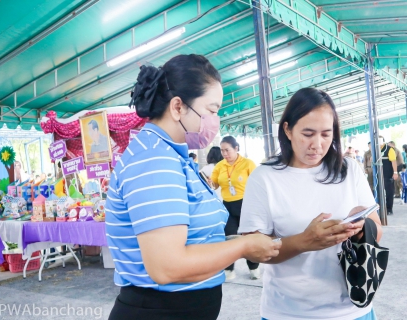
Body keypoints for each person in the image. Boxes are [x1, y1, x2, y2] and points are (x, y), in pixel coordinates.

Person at [105, 55, 280, 320]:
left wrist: (241, 241)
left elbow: (196, 241)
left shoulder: (172, 156)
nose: (215, 120)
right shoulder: (155, 161)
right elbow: (167, 267)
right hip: (159, 311)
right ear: (177, 107)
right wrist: (243, 248)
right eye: (212, 110)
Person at [238, 87, 382, 320]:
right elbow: (252, 251)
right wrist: (305, 241)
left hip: (352, 309)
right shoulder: (264, 177)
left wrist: (361, 228)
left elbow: (377, 228)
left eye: (326, 134)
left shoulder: (349, 170)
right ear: (287, 130)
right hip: (288, 312)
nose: (317, 144)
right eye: (307, 134)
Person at [210, 136, 259, 281]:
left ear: (236, 148)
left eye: (227, 150)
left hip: (246, 204)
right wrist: (210, 183)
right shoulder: (219, 166)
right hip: (228, 205)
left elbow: (257, 184)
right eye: (222, 150)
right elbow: (215, 184)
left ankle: (254, 267)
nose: (224, 153)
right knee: (229, 238)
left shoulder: (248, 164)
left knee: (248, 236)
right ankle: (229, 269)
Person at [380, 136, 399, 215]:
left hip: (388, 173)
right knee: (378, 191)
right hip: (378, 174)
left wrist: (395, 172)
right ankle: (380, 208)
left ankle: (389, 208)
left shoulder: (389, 149)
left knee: (389, 191)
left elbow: (393, 161)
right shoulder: (374, 149)